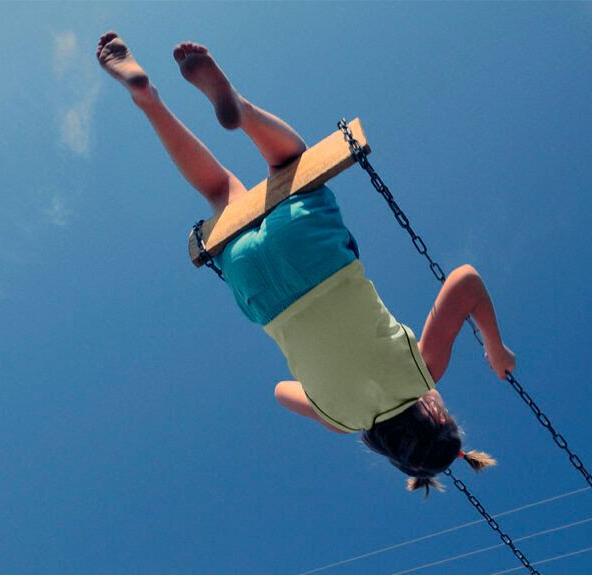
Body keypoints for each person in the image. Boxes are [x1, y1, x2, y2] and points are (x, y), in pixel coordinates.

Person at [96, 31, 517, 494]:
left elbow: (466, 280)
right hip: (261, 290)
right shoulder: (341, 421)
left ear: (435, 412)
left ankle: (240, 108)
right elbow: (280, 392)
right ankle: (148, 101)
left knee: (291, 163)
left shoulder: (424, 373)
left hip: (319, 262)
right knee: (222, 194)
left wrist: (494, 348)